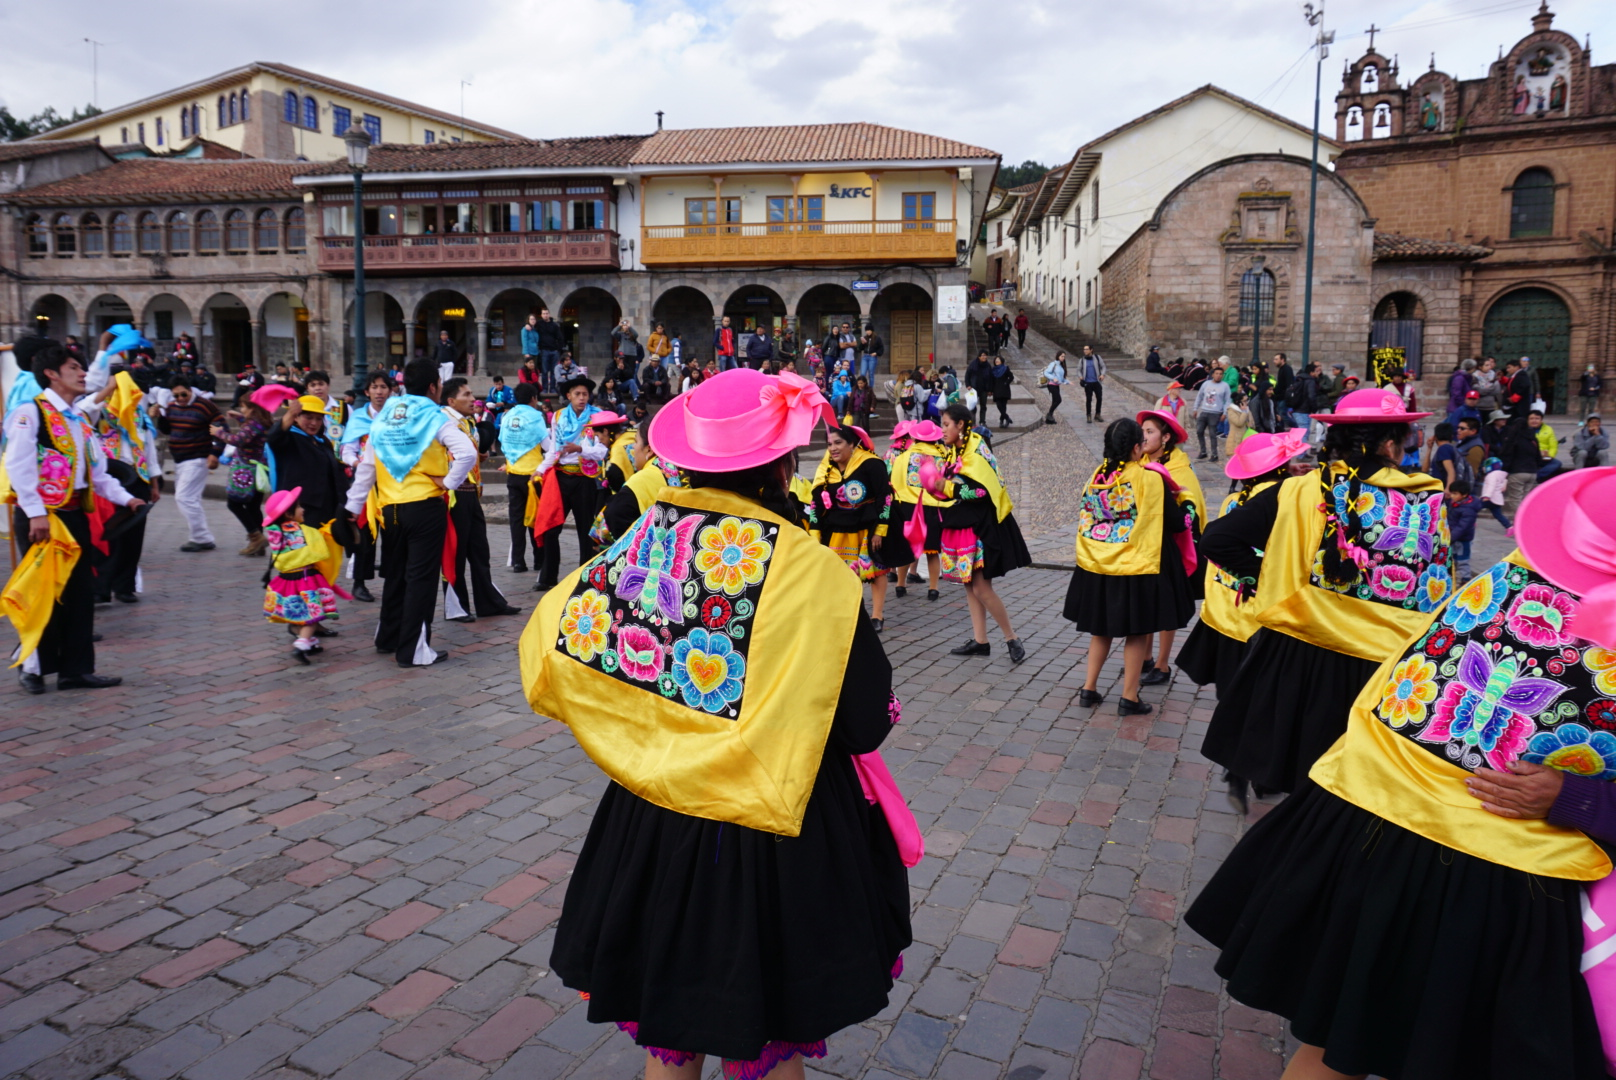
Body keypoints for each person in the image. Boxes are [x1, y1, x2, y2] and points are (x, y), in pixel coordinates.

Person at [520, 366, 912, 1078]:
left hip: (659, 818)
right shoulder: (813, 571)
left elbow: (546, 654)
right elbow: (864, 724)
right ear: (782, 464)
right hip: (776, 829)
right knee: (771, 1042)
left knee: (672, 1041)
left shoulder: (640, 549)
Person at [1186, 469, 1616, 1080]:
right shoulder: (1499, 573)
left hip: (1384, 833)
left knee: (1339, 1038)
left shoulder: (1502, 580)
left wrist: (1572, 798)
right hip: (1489, 874)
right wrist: (1579, 801)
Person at [1199, 387, 1448, 797]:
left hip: (1300, 653)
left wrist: (1275, 574)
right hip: (1381, 668)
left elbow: (1215, 542)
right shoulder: (1428, 502)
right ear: (1389, 444)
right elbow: (1436, 587)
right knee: (1344, 788)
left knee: (1295, 774)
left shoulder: (1297, 491)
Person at [4, 340, 144, 694]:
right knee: (43, 592)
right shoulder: (29, 413)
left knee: (80, 594)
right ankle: (33, 667)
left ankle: (76, 670)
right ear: (51, 374)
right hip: (43, 520)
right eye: (74, 369)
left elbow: (96, 474)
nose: (83, 374)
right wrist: (35, 514)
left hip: (74, 516)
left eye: (82, 368)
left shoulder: (78, 418)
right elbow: (18, 467)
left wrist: (128, 499)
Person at [343, 359, 476, 667]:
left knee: (397, 576)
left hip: (389, 509)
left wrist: (351, 506)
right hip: (424, 507)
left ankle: (387, 637)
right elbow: (467, 452)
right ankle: (414, 650)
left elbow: (366, 467)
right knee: (421, 579)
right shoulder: (434, 416)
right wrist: (449, 482)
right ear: (433, 386)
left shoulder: (386, 415)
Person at [1065, 417, 1196, 716]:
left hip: (1099, 564)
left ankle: (1089, 688)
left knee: (1101, 631)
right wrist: (1187, 503)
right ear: (1137, 448)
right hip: (1137, 565)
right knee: (1137, 633)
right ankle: (1129, 697)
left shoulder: (1097, 476)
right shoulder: (1150, 478)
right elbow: (1178, 522)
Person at [1177, 429, 1311, 698]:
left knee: (1227, 696)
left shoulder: (1232, 502)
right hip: (1261, 622)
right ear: (1283, 467)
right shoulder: (1287, 505)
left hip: (1223, 616)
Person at [917, 403, 1031, 663]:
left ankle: (1011, 637)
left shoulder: (975, 453)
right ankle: (981, 640)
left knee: (980, 587)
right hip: (964, 523)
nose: (942, 430)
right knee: (970, 585)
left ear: (960, 425)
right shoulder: (957, 450)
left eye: (946, 424)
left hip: (981, 526)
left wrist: (944, 487)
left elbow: (980, 493)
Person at [438, 377, 520, 624]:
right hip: (453, 495)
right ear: (452, 400)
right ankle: (456, 607)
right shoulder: (443, 421)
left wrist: (479, 456)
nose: (474, 399)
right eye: (467, 394)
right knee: (456, 552)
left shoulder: (466, 422)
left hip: (471, 492)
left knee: (479, 550)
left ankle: (488, 603)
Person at [1136, 409, 1206, 687]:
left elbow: (1192, 512)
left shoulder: (1180, 469)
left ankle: (1163, 664)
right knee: (1147, 600)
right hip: (1146, 543)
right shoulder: (1138, 463)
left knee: (1167, 603)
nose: (1144, 436)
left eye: (1150, 431)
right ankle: (1145, 656)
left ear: (1166, 437)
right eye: (1142, 431)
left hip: (1173, 546)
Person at [266, 397, 350, 626]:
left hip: (325, 514)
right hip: (300, 514)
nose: (313, 422)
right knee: (301, 572)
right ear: (297, 417)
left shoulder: (322, 441)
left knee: (318, 571)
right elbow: (273, 438)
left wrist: (346, 505)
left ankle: (313, 621)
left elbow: (335, 475)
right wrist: (287, 417)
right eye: (307, 417)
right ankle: (299, 624)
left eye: (317, 418)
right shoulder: (290, 438)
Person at [808, 425, 891, 629]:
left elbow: (885, 496)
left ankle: (877, 616)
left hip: (867, 529)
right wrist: (814, 534)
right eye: (829, 444)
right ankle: (852, 614)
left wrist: (880, 529)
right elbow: (816, 503)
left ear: (852, 443)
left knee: (875, 572)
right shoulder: (825, 469)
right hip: (838, 530)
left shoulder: (870, 464)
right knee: (842, 575)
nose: (833, 448)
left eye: (838, 443)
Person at [261, 486, 346, 666]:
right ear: (290, 514)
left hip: (285, 580)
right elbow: (321, 553)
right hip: (307, 579)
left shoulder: (275, 533)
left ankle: (310, 641)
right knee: (312, 615)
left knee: (298, 613)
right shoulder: (307, 531)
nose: (303, 509)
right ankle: (301, 645)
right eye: (299, 506)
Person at [535, 375, 604, 590]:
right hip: (561, 478)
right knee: (552, 528)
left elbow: (602, 451)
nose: (582, 398)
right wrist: (539, 469)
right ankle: (547, 577)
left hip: (585, 479)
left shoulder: (597, 417)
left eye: (585, 394)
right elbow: (554, 449)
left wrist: (581, 449)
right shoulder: (557, 417)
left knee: (585, 530)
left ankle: (585, 579)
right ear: (568, 396)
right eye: (577, 394)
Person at [340, 372, 394, 603]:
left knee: (393, 533)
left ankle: (392, 578)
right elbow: (347, 450)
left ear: (390, 391)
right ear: (367, 391)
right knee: (364, 534)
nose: (379, 391)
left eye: (383, 387)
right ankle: (359, 583)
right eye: (375, 387)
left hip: (392, 484)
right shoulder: (359, 419)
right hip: (366, 485)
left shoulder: (397, 418)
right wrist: (358, 463)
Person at [152, 377, 222, 552]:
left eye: (184, 394)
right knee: (192, 498)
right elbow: (168, 429)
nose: (181, 398)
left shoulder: (204, 405)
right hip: (179, 459)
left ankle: (201, 537)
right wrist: (159, 416)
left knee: (184, 497)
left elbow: (221, 427)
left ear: (190, 390)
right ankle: (203, 536)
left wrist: (215, 453)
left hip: (198, 457)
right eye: (176, 396)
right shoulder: (171, 407)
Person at [212, 391, 277, 556]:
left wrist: (218, 432)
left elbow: (238, 440)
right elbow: (251, 431)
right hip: (258, 469)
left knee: (234, 503)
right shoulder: (262, 421)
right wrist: (239, 418)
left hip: (247, 471)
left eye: (243, 406)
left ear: (252, 408)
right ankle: (259, 544)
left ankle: (255, 537)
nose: (242, 409)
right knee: (253, 506)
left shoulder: (253, 424)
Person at [498, 382, 549, 574]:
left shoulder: (508, 415)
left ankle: (519, 561)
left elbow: (503, 441)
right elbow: (546, 445)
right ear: (534, 399)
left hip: (513, 474)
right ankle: (538, 560)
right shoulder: (536, 416)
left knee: (516, 520)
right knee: (536, 518)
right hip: (533, 476)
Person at [302, 370, 348, 449]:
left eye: (321, 384)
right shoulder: (303, 408)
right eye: (313, 385)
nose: (317, 388)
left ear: (328, 385)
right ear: (307, 389)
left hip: (338, 456)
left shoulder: (343, 407)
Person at [1445, 477, 1480, 581]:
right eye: (1451, 493)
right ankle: (1451, 577)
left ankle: (1466, 579)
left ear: (1464, 495)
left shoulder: (1468, 509)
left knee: (1462, 560)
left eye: (1455, 494)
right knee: (1453, 559)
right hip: (1454, 537)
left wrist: (1451, 538)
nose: (1452, 496)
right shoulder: (1456, 503)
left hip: (1462, 539)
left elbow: (1462, 527)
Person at [1192, 374, 1231, 461]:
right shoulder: (1206, 384)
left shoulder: (1225, 386)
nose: (1218, 376)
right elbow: (1200, 396)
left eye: (1220, 374)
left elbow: (1228, 400)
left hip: (1216, 412)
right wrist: (1195, 408)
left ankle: (1214, 454)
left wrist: (1225, 413)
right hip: (1204, 411)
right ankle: (1203, 451)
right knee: (1199, 431)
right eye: (1216, 374)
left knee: (1212, 433)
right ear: (1213, 374)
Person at [535, 308, 566, 392]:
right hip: (544, 350)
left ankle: (552, 388)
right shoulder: (539, 324)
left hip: (554, 351)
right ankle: (545, 388)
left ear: (549, 314)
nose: (545, 315)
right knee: (544, 371)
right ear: (541, 315)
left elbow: (560, 337)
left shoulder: (554, 325)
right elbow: (531, 327)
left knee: (554, 371)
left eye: (546, 313)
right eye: (544, 313)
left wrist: (558, 349)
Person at [1480, 454, 1512, 529]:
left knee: (1474, 508)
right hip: (1497, 499)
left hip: (1489, 499)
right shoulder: (1502, 476)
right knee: (1498, 515)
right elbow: (1503, 488)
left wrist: (1487, 496)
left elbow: (1491, 486)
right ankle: (1509, 527)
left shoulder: (1491, 475)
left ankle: (1470, 522)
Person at [1076, 345, 1106, 424]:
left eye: (1086, 349)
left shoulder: (1097, 358)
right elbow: (1078, 370)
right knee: (1088, 399)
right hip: (1087, 383)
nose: (1085, 351)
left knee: (1099, 398)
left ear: (1091, 350)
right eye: (1084, 349)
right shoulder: (1082, 360)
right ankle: (1088, 415)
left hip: (1096, 382)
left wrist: (1102, 374)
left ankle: (1097, 414)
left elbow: (1103, 367)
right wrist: (1080, 377)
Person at [965, 350, 995, 427]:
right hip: (974, 388)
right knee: (972, 405)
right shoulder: (973, 364)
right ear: (979, 356)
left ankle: (982, 421)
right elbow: (967, 375)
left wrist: (990, 389)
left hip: (984, 389)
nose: (984, 357)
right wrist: (968, 384)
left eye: (985, 355)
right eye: (983, 355)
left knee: (983, 406)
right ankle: (972, 421)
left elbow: (991, 378)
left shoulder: (988, 366)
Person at [1426, 421, 1459, 489]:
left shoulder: (1444, 449)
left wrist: (1448, 489)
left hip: (1442, 488)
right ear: (1451, 436)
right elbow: (1424, 469)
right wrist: (1429, 448)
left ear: (1435, 436)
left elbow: (1451, 471)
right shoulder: (1448, 448)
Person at [1445, 358, 1475, 426]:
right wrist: (1465, 404)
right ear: (1470, 368)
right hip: (1456, 409)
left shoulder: (1466, 378)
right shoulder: (1459, 378)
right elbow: (1457, 394)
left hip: (1461, 408)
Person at [1041, 352, 1068, 425]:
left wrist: (1067, 382)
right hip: (1051, 385)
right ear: (1058, 356)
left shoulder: (1061, 365)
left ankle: (1049, 419)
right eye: (1062, 356)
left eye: (1064, 357)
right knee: (1058, 400)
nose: (1063, 358)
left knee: (1054, 401)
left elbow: (1061, 377)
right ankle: (1049, 414)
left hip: (1056, 385)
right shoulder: (1053, 364)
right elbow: (1046, 373)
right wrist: (1053, 378)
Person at [990, 354, 1013, 428]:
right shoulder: (993, 370)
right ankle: (1007, 418)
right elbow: (991, 381)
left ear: (1001, 361)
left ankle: (1001, 421)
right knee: (999, 405)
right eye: (996, 360)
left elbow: (1011, 377)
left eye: (998, 360)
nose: (997, 361)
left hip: (1004, 389)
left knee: (1003, 406)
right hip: (996, 389)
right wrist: (990, 389)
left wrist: (1006, 382)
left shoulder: (1005, 368)